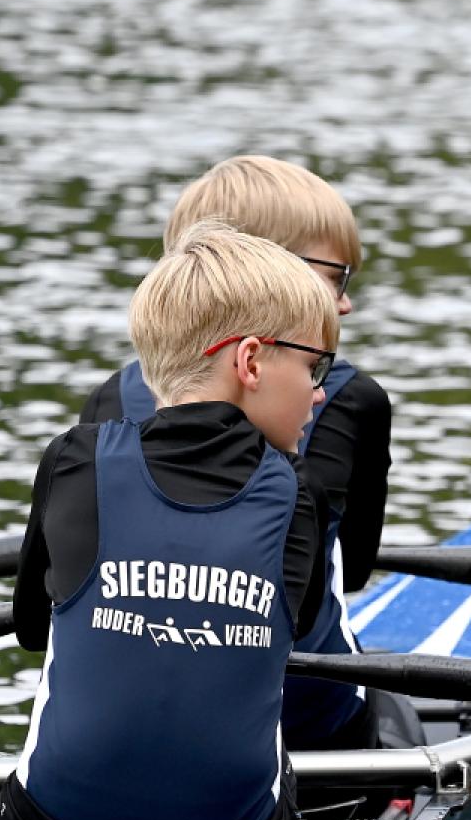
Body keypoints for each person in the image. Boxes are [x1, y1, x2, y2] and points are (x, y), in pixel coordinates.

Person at [0, 220, 339, 820]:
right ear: (250, 362)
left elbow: (32, 628)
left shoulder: (75, 460)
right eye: (313, 366)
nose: (320, 391)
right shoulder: (298, 492)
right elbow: (294, 631)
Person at [79, 155, 401, 751]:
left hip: (126, 711)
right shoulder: (353, 398)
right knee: (395, 708)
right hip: (307, 719)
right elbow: (352, 571)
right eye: (336, 277)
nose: (346, 303)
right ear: (267, 269)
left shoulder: (109, 399)